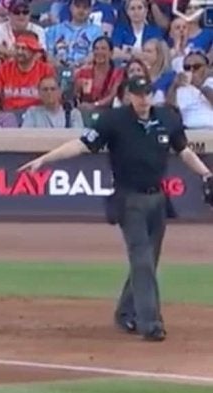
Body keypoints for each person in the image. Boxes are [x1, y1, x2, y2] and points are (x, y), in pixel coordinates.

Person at [18, 76, 213, 342]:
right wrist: (45, 159)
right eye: (138, 94)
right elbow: (82, 144)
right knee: (141, 259)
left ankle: (125, 312)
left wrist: (206, 174)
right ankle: (150, 323)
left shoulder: (167, 118)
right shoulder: (114, 120)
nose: (143, 99)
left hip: (158, 199)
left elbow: (184, 151)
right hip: (128, 199)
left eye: (147, 93)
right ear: (129, 95)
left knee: (149, 261)